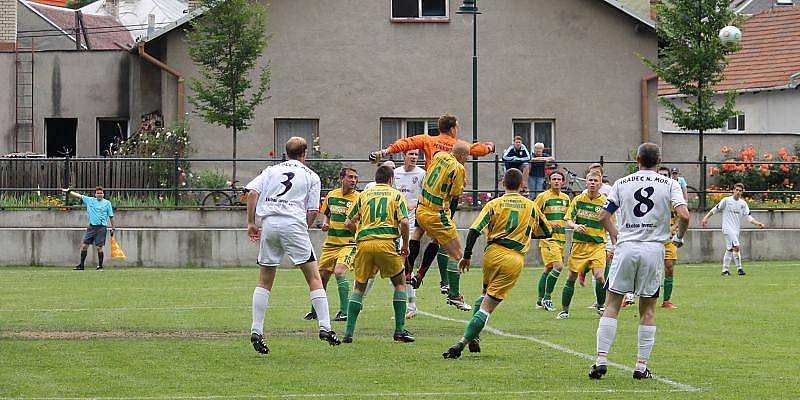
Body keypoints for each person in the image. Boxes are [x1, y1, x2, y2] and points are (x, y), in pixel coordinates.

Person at [590, 142, 690, 380]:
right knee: (647, 309)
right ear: (659, 161)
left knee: (613, 303)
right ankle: (640, 366)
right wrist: (678, 238)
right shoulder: (670, 183)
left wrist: (615, 234)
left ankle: (601, 360)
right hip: (653, 249)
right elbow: (684, 214)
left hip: (626, 248)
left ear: (637, 159)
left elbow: (603, 215)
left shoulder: (621, 183)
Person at [370, 115, 494, 294]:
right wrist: (490, 147)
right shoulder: (458, 147)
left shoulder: (429, 142)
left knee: (417, 233)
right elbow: (477, 149)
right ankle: (442, 285)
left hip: (427, 195)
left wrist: (385, 151)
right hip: (443, 200)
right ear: (453, 129)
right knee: (448, 245)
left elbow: (406, 143)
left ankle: (408, 272)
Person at [246, 137, 341, 355]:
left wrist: (251, 223)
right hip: (293, 224)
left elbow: (252, 194)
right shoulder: (311, 176)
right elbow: (312, 211)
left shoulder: (271, 170)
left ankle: (256, 330)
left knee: (265, 279)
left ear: (286, 152)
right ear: (304, 153)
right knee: (314, 277)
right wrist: (303, 230)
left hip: (269, 224)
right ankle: (325, 327)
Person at [442, 168, 551, 359]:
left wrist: (466, 256)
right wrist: (525, 232)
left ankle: (474, 336)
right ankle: (461, 343)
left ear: (503, 184)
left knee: (485, 294)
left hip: (491, 253)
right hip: (513, 258)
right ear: (522, 185)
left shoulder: (494, 203)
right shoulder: (531, 206)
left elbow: (474, 230)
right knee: (488, 306)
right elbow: (546, 232)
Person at [342, 166, 414, 343]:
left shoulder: (364, 195)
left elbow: (348, 222)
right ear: (391, 180)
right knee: (399, 284)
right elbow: (404, 223)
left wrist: (358, 235)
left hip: (364, 244)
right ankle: (399, 330)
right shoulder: (396, 195)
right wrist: (405, 245)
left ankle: (348, 334)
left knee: (359, 287)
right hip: (386, 243)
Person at [414, 143, 471, 310]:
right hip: (437, 214)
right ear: (461, 156)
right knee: (458, 254)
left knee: (431, 240)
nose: (467, 160)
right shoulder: (458, 168)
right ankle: (454, 295)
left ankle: (417, 273)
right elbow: (456, 193)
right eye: (467, 157)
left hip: (421, 208)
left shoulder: (439, 156)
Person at [302, 168, 360, 322]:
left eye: (355, 178)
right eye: (350, 177)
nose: (353, 181)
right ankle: (314, 311)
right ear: (342, 178)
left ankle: (344, 312)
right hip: (331, 244)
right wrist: (326, 224)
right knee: (320, 278)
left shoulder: (359, 198)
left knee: (340, 272)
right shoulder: (332, 195)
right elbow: (327, 215)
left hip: (349, 244)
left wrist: (351, 226)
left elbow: (358, 225)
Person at [557, 171, 612, 319]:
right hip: (579, 244)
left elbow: (611, 223)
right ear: (586, 182)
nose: (593, 183)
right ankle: (564, 310)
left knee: (600, 276)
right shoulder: (578, 200)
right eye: (590, 180)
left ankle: (601, 306)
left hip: (598, 245)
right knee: (571, 276)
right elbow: (568, 219)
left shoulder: (605, 202)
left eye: (595, 181)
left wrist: (614, 241)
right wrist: (575, 226)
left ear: (600, 184)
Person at [701, 182, 765, 276]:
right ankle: (740, 269)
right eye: (737, 190)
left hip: (736, 229)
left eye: (740, 191)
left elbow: (748, 217)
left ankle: (725, 270)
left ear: (742, 192)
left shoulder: (743, 204)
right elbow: (716, 209)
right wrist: (705, 218)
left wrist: (757, 223)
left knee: (730, 249)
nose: (738, 192)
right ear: (733, 190)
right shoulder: (726, 200)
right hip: (727, 228)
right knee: (737, 246)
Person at [393, 150, 426, 318]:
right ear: (403, 155)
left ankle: (411, 304)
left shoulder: (421, 174)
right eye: (411, 154)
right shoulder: (395, 173)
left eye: (416, 154)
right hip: (394, 224)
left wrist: (416, 203)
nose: (414, 157)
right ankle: (408, 304)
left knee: (404, 264)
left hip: (411, 226)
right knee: (397, 266)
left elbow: (427, 196)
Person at [533, 171, 570, 311]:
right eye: (553, 179)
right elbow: (534, 215)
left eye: (559, 179)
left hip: (561, 238)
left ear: (563, 182)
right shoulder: (543, 197)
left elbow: (568, 217)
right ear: (549, 181)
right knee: (559, 266)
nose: (556, 181)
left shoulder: (566, 198)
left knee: (548, 268)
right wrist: (549, 223)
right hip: (548, 238)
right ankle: (547, 298)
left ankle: (539, 300)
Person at [63, 186, 116, 271]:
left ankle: (100, 266)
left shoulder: (107, 203)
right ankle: (81, 265)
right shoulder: (90, 200)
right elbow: (79, 196)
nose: (99, 195)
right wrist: (68, 191)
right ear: (95, 194)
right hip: (91, 227)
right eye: (98, 193)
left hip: (101, 227)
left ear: (103, 194)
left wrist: (113, 228)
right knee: (84, 246)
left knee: (99, 247)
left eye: (101, 193)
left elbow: (111, 216)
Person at [658, 166, 679, 308]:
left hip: (669, 237)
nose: (663, 177)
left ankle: (666, 300)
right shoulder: (651, 194)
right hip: (652, 236)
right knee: (646, 268)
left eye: (666, 175)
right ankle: (629, 296)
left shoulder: (674, 195)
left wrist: (673, 228)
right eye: (661, 175)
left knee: (670, 266)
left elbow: (681, 216)